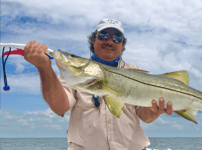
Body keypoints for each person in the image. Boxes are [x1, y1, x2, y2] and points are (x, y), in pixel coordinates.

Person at [24, 18, 173, 150]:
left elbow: (145, 117)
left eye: (116, 37)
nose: (109, 41)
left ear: (122, 45)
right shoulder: (74, 73)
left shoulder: (135, 72)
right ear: (94, 41)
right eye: (103, 36)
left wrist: (155, 111)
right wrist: (44, 68)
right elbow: (59, 107)